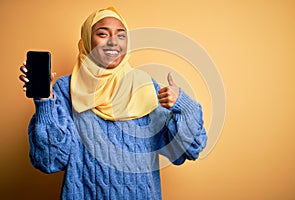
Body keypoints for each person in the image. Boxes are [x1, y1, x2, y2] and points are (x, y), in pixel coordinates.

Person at [19, 7, 207, 200]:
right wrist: (45, 101)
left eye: (121, 35)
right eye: (102, 33)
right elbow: (50, 160)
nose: (113, 42)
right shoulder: (66, 89)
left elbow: (188, 150)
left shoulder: (143, 86)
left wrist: (183, 105)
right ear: (85, 41)